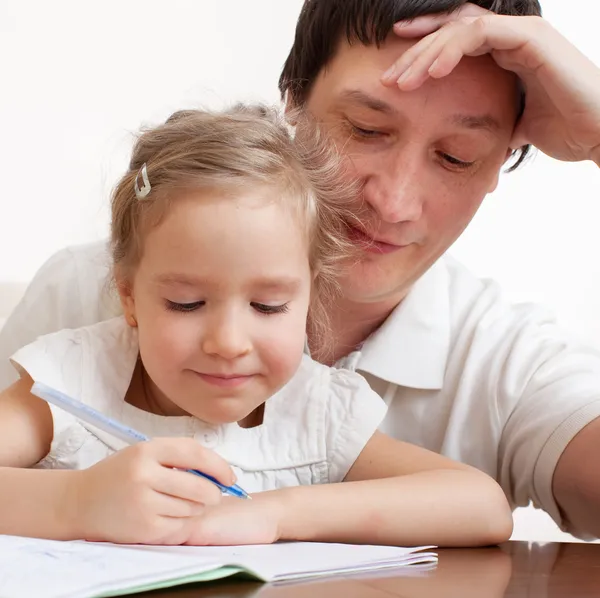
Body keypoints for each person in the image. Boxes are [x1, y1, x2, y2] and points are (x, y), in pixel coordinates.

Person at [1, 0, 599, 538]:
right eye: (366, 129)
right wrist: (71, 502)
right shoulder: (78, 309)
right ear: (293, 101)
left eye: (455, 156)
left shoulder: (502, 363)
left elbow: (479, 504)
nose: (393, 201)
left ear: (503, 162)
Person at [0, 106, 511, 547]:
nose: (227, 343)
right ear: (130, 296)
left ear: (309, 296)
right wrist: (75, 502)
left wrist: (275, 513)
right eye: (186, 302)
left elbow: (484, 506)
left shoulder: (315, 413)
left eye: (268, 307)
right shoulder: (72, 382)